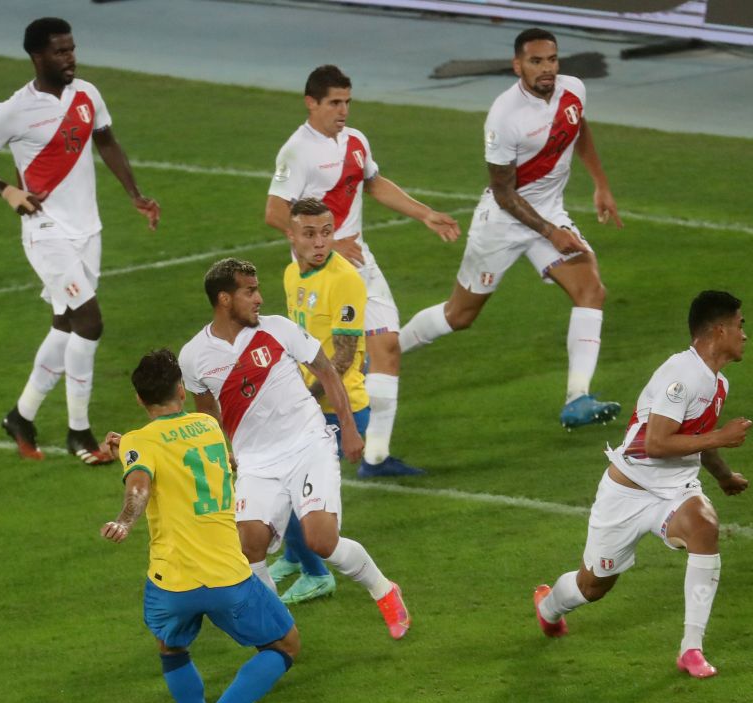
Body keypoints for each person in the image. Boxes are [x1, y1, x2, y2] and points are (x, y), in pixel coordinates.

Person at [399, 28, 623, 430]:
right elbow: (503, 192)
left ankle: (577, 399)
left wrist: (601, 184)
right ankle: (384, 352)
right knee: (460, 315)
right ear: (517, 65)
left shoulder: (573, 90)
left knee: (591, 289)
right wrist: (551, 232)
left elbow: (578, 128)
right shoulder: (505, 116)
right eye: (536, 61)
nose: (547, 69)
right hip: (502, 223)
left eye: (552, 59)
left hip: (548, 214)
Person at [178, 257, 410, 639]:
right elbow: (208, 415)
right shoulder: (194, 357)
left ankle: (384, 591)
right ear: (224, 299)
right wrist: (224, 454)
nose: (259, 298)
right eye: (249, 291)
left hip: (307, 446)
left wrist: (349, 430)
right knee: (246, 547)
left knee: (321, 541)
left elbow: (327, 371)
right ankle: (278, 631)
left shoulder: (279, 330)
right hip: (256, 462)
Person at [0, 17, 160, 465]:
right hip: (45, 231)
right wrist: (8, 191)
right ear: (37, 57)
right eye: (60, 51)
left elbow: (107, 141)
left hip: (87, 230)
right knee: (89, 322)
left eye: (72, 49)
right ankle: (79, 432)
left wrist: (135, 195)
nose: (70, 58)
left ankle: (21, 415)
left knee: (65, 325)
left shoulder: (87, 95)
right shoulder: (14, 110)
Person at [98, 349, 298, 703]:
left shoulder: (138, 441)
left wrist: (124, 519)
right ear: (182, 391)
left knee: (172, 647)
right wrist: (127, 450)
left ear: (138, 399)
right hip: (227, 573)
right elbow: (190, 461)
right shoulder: (208, 425)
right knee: (284, 645)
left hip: (171, 583)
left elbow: (139, 483)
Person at [533, 291, 752, 679]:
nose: (745, 334)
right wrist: (720, 437)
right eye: (740, 325)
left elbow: (696, 437)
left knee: (704, 528)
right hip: (629, 490)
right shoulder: (679, 375)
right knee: (593, 585)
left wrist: (723, 476)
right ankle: (549, 608)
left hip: (676, 490)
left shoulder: (718, 384)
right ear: (719, 330)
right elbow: (656, 444)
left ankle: (691, 648)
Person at [265, 64, 460, 477]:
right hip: (320, 270)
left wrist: (425, 214)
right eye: (335, 102)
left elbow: (373, 182)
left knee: (386, 348)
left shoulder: (355, 141)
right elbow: (275, 211)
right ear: (311, 103)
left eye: (347, 102)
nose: (343, 110)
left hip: (359, 263)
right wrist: (328, 242)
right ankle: (307, 441)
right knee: (330, 362)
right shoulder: (296, 151)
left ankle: (375, 457)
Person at [269, 198, 373, 604]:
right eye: (309, 233)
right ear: (291, 235)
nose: (319, 242)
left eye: (326, 232)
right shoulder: (292, 273)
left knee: (292, 499)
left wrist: (301, 397)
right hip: (306, 404)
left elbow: (344, 357)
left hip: (336, 406)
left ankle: (317, 575)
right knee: (283, 488)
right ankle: (295, 559)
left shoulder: (344, 280)